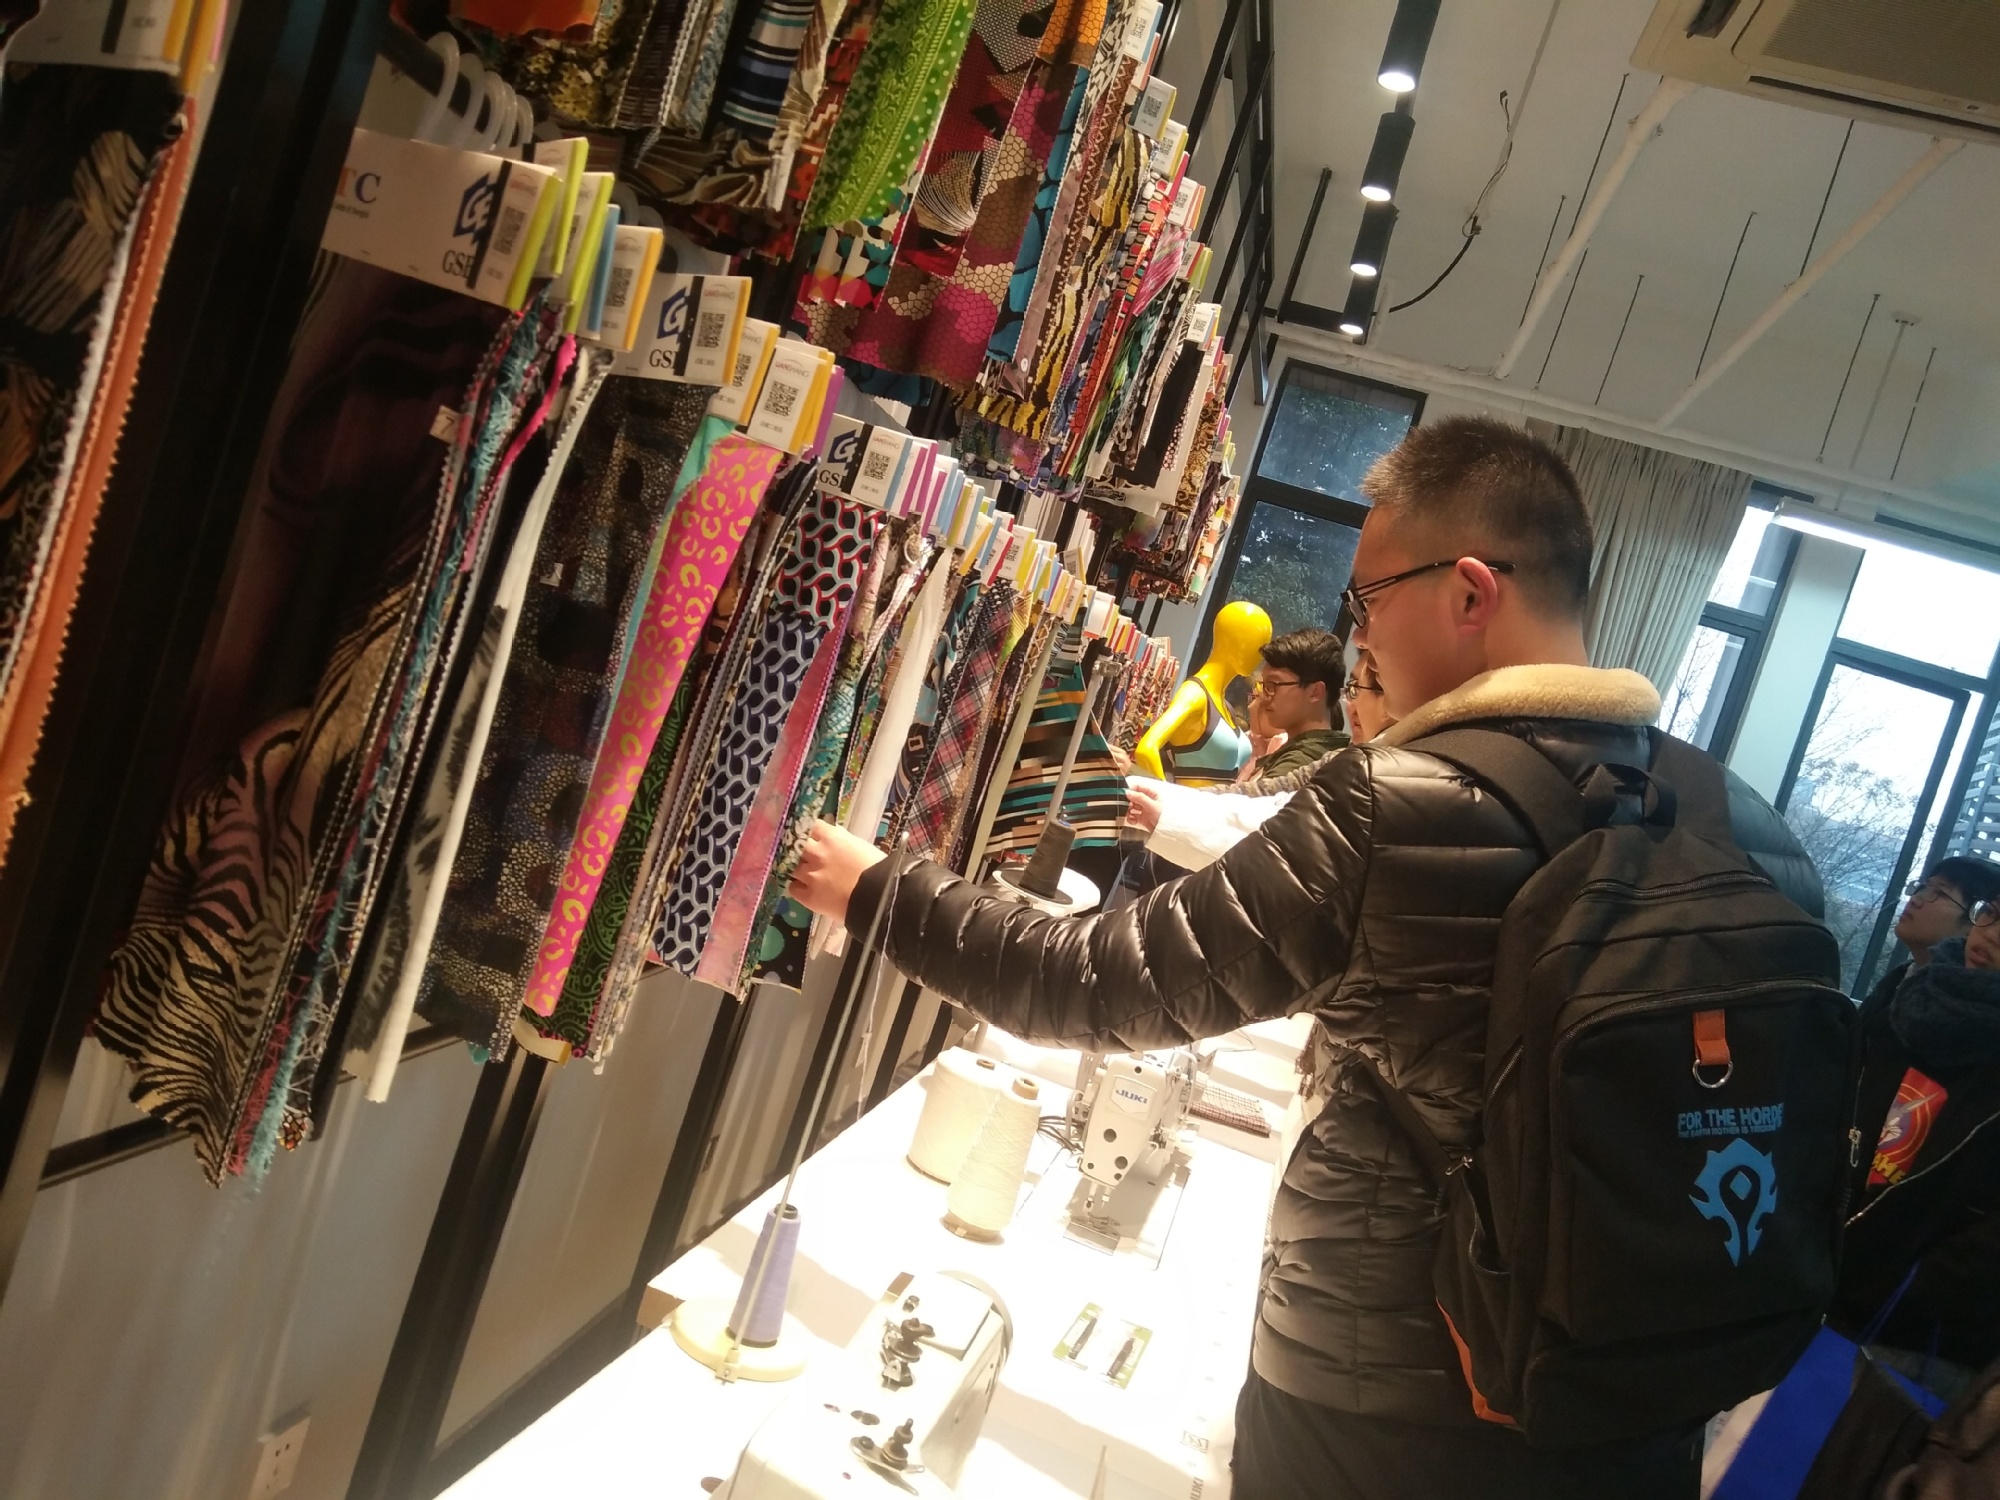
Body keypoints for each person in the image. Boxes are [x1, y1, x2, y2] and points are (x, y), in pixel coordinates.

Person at [789, 416, 1822, 1499]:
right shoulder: (1751, 831)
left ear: (1470, 592)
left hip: (1384, 1424)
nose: (1356, 636)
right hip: (1637, 1427)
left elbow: (1093, 982)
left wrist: (877, 886)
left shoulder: (1400, 806)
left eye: (1366, 601)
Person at [1834, 865, 2000, 1402]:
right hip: (1817, 1280)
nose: (1992, 935)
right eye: (1994, 915)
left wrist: (1896, 1287)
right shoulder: (1916, 1001)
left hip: (1914, 1338)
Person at [1238, 627, 1350, 780]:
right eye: (1263, 685)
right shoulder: (1300, 750)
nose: (1263, 697)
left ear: (1315, 692)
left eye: (1273, 685)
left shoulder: (1302, 763)